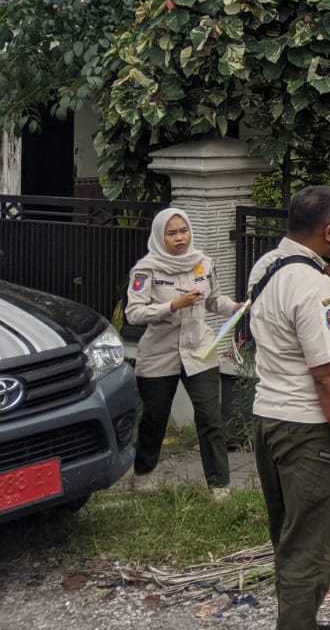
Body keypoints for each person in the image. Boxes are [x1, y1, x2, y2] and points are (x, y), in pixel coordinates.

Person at [247, 186, 330, 630]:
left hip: (272, 421)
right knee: (312, 552)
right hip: (309, 433)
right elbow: (327, 375)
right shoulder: (313, 289)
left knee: (291, 537)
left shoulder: (269, 266)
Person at [124, 207, 242, 495]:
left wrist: (237, 308)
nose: (180, 238)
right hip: (159, 354)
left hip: (199, 350)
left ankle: (220, 486)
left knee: (210, 418)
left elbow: (214, 300)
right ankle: (143, 474)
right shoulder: (146, 269)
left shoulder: (202, 263)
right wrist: (173, 305)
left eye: (184, 231)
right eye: (172, 233)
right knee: (155, 417)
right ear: (160, 236)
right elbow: (134, 313)